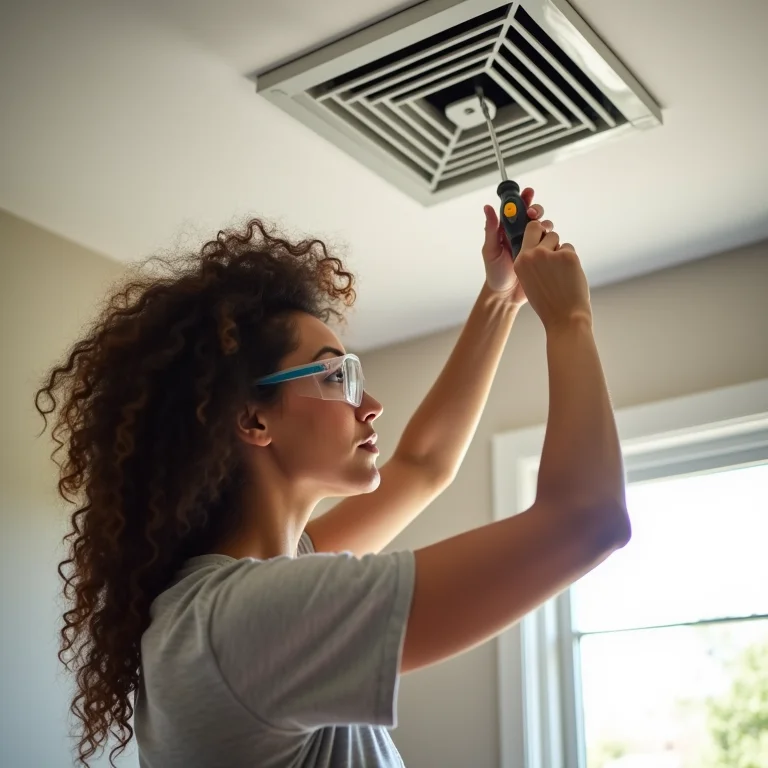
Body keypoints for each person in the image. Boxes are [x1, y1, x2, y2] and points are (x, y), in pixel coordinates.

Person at [35, 189, 631, 768]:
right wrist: (570, 320)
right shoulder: (244, 623)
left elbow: (424, 467)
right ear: (251, 418)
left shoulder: (236, 599)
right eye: (335, 376)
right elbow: (586, 520)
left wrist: (503, 296)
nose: (370, 403)